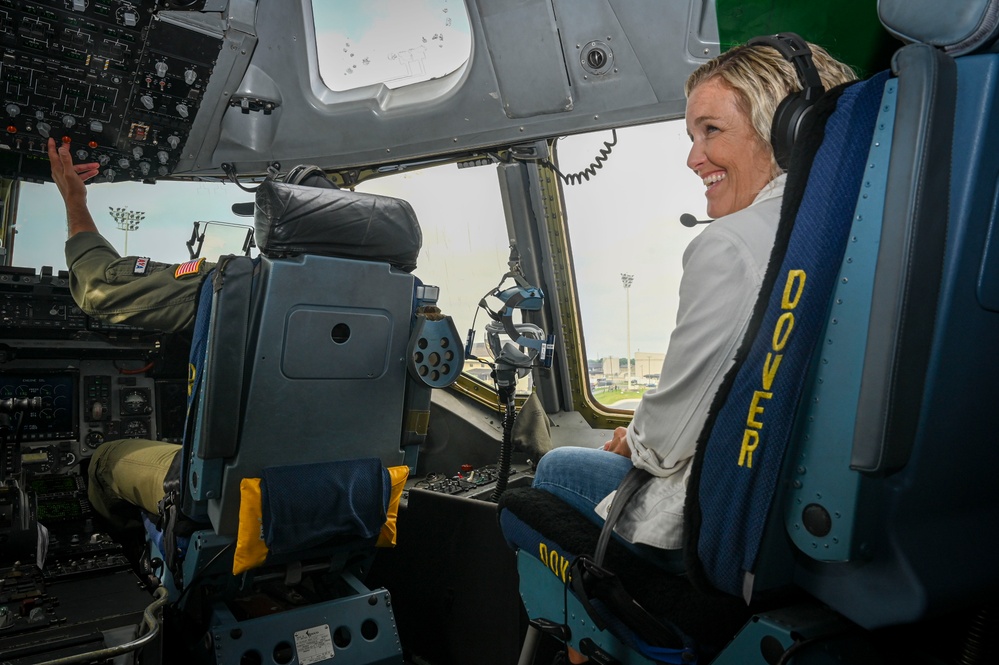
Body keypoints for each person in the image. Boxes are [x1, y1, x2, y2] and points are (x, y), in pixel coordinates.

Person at [531, 38, 856, 661]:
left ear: (783, 129)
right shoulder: (846, 227)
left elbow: (668, 439)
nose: (692, 157)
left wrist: (636, 437)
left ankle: (590, 641)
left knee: (553, 470)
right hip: (808, 521)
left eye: (711, 130)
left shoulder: (734, 243)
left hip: (727, 524)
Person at [48, 137, 205, 527]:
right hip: (364, 488)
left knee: (104, 459)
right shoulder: (383, 291)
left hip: (237, 494)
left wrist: (74, 200)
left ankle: (144, 561)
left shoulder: (234, 282)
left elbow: (99, 287)